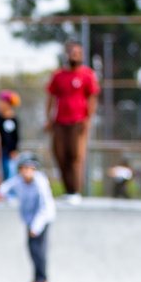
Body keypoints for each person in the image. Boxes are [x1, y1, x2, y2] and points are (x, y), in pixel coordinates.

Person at [45, 41, 99, 203]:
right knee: (60, 154)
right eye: (71, 53)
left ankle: (75, 191)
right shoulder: (58, 75)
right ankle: (67, 190)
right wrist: (49, 119)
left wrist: (88, 119)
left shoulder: (87, 74)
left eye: (77, 53)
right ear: (66, 55)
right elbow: (51, 98)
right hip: (60, 122)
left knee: (76, 156)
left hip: (78, 122)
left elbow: (92, 98)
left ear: (81, 55)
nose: (74, 55)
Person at [0, 153, 56, 282]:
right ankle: (36, 279)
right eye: (24, 169)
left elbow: (45, 207)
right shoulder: (18, 180)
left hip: (42, 218)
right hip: (29, 219)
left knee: (39, 249)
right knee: (31, 248)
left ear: (34, 170)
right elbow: (5, 188)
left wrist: (36, 227)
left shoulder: (40, 183)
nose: (27, 172)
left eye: (30, 169)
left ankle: (43, 280)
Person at [0, 90, 21, 185]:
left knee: (9, 170)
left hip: (9, 151)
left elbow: (16, 136)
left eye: (1, 102)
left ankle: (9, 191)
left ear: (8, 104)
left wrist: (14, 150)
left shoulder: (14, 119)